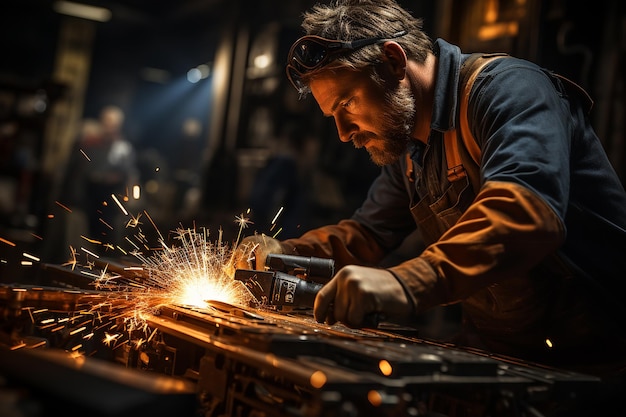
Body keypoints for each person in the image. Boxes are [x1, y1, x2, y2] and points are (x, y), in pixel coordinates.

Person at [235, 0, 626, 395]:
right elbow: (368, 233)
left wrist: (406, 284)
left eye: (347, 103)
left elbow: (524, 214)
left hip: (598, 364)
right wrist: (283, 253)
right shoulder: (409, 149)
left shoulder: (508, 90)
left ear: (393, 61)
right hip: (504, 356)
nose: (342, 132)